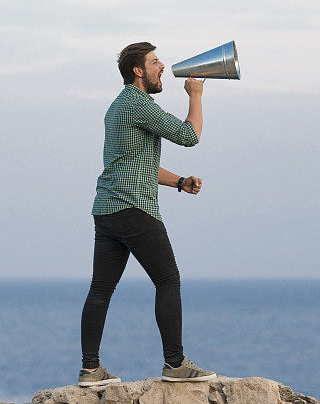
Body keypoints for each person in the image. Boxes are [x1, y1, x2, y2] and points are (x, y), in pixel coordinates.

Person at [78, 42, 217, 387]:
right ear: (138, 71)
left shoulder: (119, 107)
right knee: (168, 281)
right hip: (134, 209)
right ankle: (175, 364)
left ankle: (91, 370)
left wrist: (180, 182)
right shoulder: (138, 105)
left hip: (108, 211)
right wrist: (196, 94)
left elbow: (138, 165)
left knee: (100, 290)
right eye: (155, 62)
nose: (162, 66)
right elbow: (189, 135)